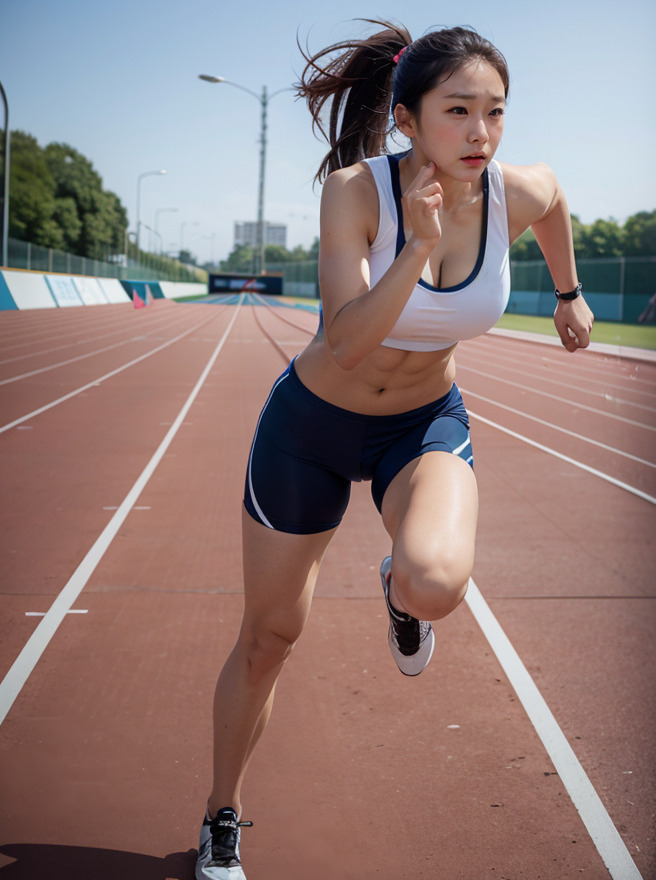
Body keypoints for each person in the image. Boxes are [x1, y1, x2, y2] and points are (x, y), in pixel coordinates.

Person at [195, 20, 594, 880]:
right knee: (270, 636)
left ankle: (397, 590)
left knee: (435, 582)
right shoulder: (357, 192)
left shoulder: (510, 193)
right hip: (311, 427)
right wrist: (415, 247)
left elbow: (556, 196)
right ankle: (223, 813)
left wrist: (569, 291)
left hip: (421, 423)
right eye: (459, 112)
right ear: (408, 119)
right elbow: (344, 343)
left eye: (496, 112)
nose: (482, 134)